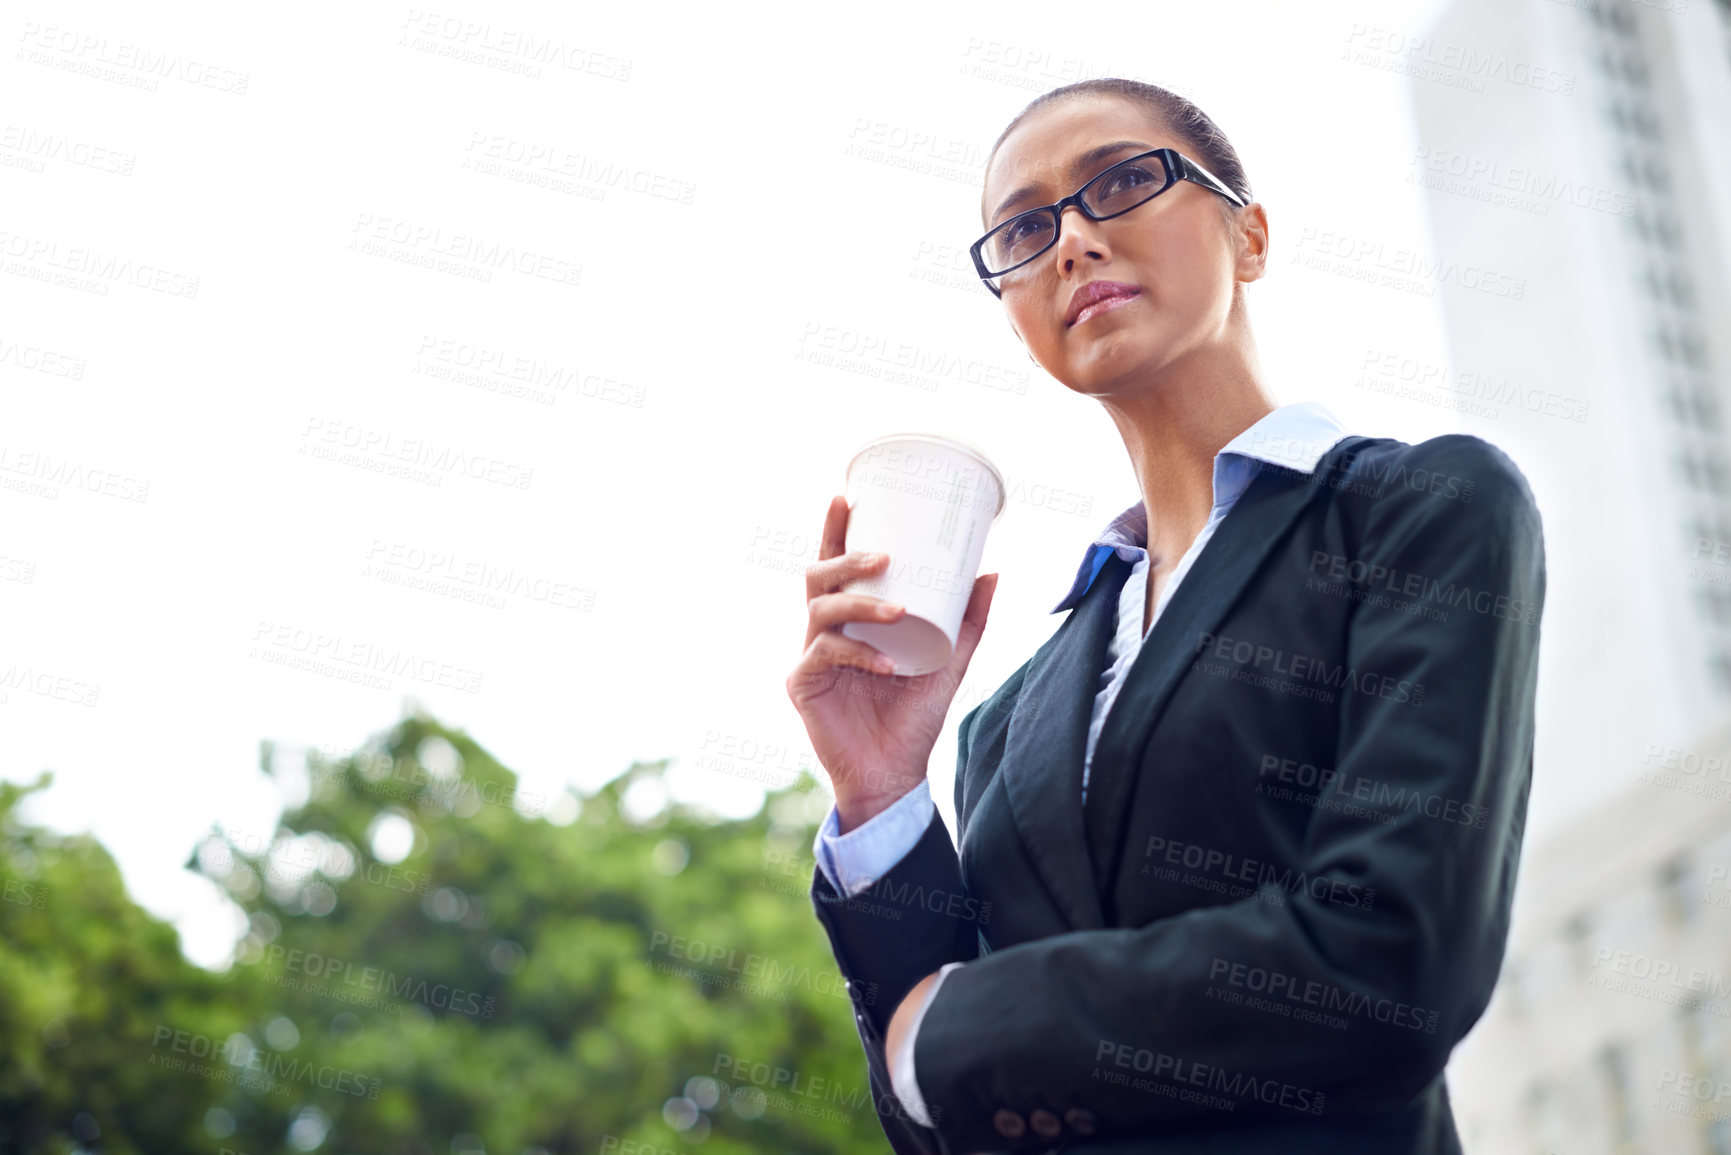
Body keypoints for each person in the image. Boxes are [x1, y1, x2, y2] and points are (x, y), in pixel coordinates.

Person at [785, 77, 1545, 1155]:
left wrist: (960, 1029)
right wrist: (881, 795)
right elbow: (938, 1119)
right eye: (1025, 228)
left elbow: (1388, 962)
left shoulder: (1413, 511)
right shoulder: (1003, 720)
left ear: (1251, 234)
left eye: (1124, 181)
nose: (1072, 243)